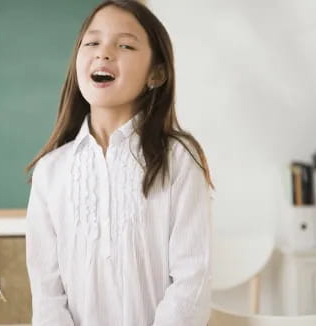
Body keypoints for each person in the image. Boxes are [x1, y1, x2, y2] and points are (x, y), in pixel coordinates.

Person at [25, 1, 214, 325]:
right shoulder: (50, 171)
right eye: (92, 42)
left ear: (156, 73)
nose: (104, 53)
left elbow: (191, 281)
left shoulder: (179, 160)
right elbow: (47, 295)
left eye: (125, 45)